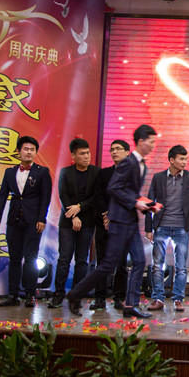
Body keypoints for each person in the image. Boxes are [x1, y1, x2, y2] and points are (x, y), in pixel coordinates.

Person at [67, 124, 157, 319]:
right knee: (109, 265)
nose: (153, 145)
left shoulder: (142, 165)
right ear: (141, 141)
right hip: (119, 221)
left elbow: (129, 192)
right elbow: (113, 188)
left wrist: (147, 204)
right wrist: (135, 203)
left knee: (139, 261)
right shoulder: (128, 163)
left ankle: (130, 305)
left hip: (130, 221)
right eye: (151, 142)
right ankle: (75, 294)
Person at [0, 136, 52, 307]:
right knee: (14, 258)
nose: (29, 152)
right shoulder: (9, 172)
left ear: (36, 152)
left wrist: (41, 218)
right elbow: (2, 195)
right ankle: (13, 295)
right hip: (14, 220)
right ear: (19, 151)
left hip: (33, 221)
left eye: (32, 150)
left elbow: (45, 198)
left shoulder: (42, 172)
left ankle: (30, 294)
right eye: (26, 149)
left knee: (31, 258)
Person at [145, 145, 189, 312]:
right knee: (157, 265)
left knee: (181, 267)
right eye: (181, 159)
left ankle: (178, 298)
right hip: (161, 226)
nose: (184, 162)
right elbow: (150, 203)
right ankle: (158, 298)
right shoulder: (158, 178)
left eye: (186, 159)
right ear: (171, 160)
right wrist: (148, 228)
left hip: (182, 227)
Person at [49, 138, 99, 309]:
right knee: (64, 258)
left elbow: (95, 197)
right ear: (73, 156)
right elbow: (63, 196)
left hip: (88, 222)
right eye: (82, 154)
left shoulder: (96, 172)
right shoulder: (65, 172)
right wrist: (73, 217)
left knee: (82, 260)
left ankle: (76, 295)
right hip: (67, 222)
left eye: (88, 153)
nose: (86, 156)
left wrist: (80, 207)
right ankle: (58, 294)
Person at [92, 139, 130, 311]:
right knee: (102, 262)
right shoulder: (103, 173)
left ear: (127, 152)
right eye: (112, 149)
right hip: (103, 224)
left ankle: (119, 297)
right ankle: (99, 297)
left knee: (121, 264)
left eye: (118, 149)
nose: (114, 152)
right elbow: (98, 196)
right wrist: (106, 216)